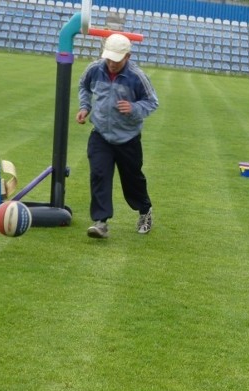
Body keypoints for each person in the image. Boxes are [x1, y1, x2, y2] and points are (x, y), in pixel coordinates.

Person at [76, 33, 158, 239]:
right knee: (99, 174)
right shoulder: (95, 69)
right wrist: (85, 107)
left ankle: (144, 211)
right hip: (101, 134)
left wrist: (133, 107)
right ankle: (101, 222)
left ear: (127, 57)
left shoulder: (137, 77)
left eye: (117, 60)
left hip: (128, 138)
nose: (112, 63)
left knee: (132, 180)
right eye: (109, 58)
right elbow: (84, 86)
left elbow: (151, 102)